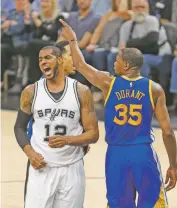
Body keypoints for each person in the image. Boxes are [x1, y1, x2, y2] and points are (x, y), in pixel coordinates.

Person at [59, 19, 177, 207]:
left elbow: (80, 65)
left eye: (118, 61)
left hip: (116, 155)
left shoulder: (108, 83)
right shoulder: (154, 89)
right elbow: (168, 132)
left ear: (127, 66)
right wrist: (174, 165)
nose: (114, 63)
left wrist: (73, 40)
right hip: (143, 153)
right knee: (153, 203)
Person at [14, 43, 99, 208]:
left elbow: (93, 134)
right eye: (40, 60)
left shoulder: (81, 91)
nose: (43, 62)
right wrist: (30, 152)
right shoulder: (30, 92)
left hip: (71, 168)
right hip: (42, 167)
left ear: (60, 60)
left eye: (48, 58)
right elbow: (19, 127)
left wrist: (69, 140)